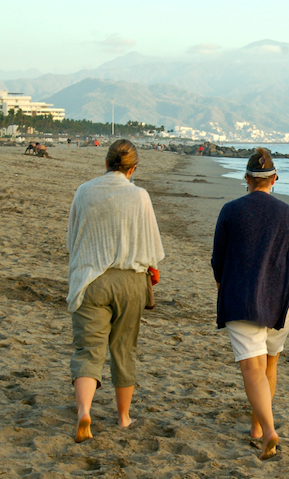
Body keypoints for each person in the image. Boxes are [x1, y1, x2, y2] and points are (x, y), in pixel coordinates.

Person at [211, 147, 289, 460]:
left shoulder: (230, 211)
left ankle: (269, 430)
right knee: (270, 363)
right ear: (274, 179)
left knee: (251, 366)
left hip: (243, 299)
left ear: (246, 179)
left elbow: (218, 261)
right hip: (282, 300)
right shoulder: (288, 214)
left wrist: (224, 290)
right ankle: (258, 428)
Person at [66, 139, 164, 443]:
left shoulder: (84, 191)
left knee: (88, 350)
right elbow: (152, 247)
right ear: (132, 169)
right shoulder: (140, 196)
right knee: (123, 350)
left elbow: (72, 239)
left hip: (91, 279)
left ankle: (84, 412)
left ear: (106, 163)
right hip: (129, 282)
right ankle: (123, 418)